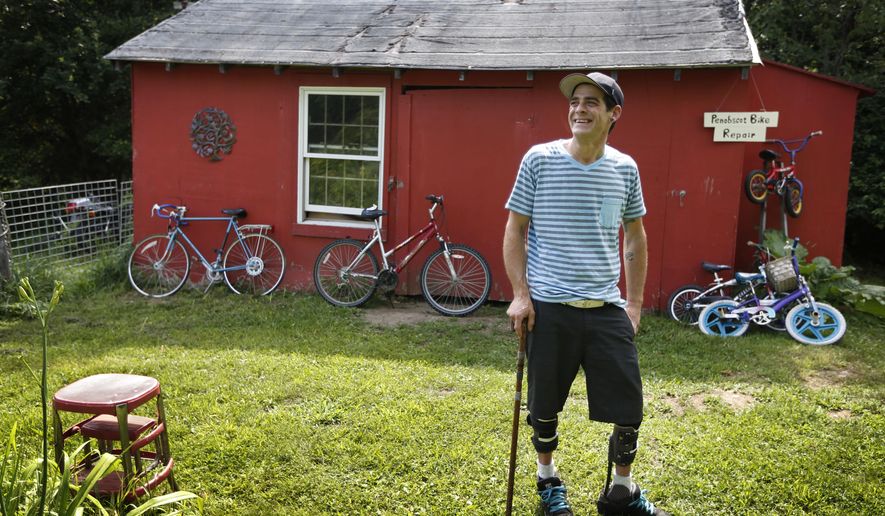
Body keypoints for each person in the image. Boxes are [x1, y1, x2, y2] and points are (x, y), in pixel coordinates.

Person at [502, 72, 669, 516]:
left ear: (613, 114)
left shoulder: (624, 168)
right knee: (543, 405)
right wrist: (521, 294)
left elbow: (635, 237)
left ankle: (620, 493)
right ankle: (548, 483)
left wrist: (633, 303)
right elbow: (515, 229)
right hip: (550, 306)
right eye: (575, 101)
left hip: (606, 306)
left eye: (591, 102)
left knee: (629, 406)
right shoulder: (539, 160)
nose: (579, 109)